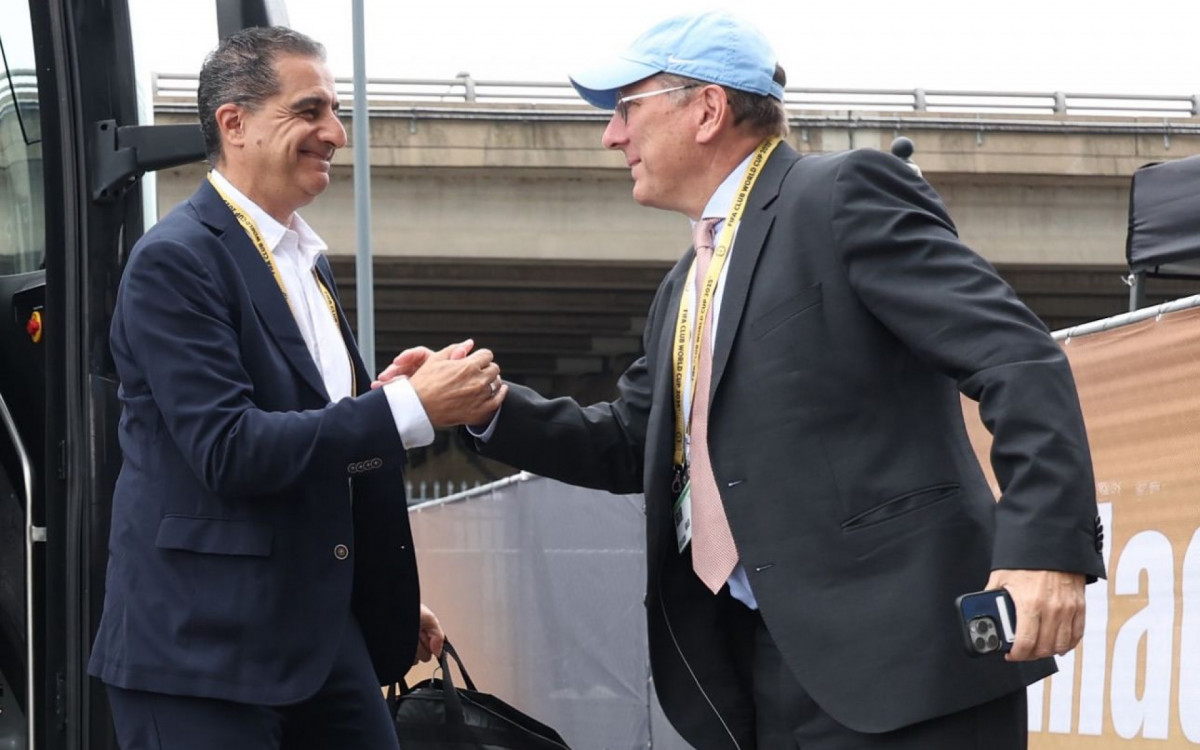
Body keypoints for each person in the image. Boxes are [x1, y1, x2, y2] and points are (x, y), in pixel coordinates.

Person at [379, 10, 1106, 749]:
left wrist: (1046, 547)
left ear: (707, 109)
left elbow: (1015, 356)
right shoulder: (687, 281)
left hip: (903, 669)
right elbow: (633, 441)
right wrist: (486, 407)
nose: (611, 136)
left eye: (627, 108)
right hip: (761, 670)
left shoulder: (843, 193)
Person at [87, 26, 505, 750]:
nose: (335, 133)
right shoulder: (174, 261)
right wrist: (404, 409)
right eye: (309, 111)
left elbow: (310, 443)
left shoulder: (305, 260)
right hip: (201, 656)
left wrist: (379, 593)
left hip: (316, 637)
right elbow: (229, 450)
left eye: (335, 111)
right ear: (234, 123)